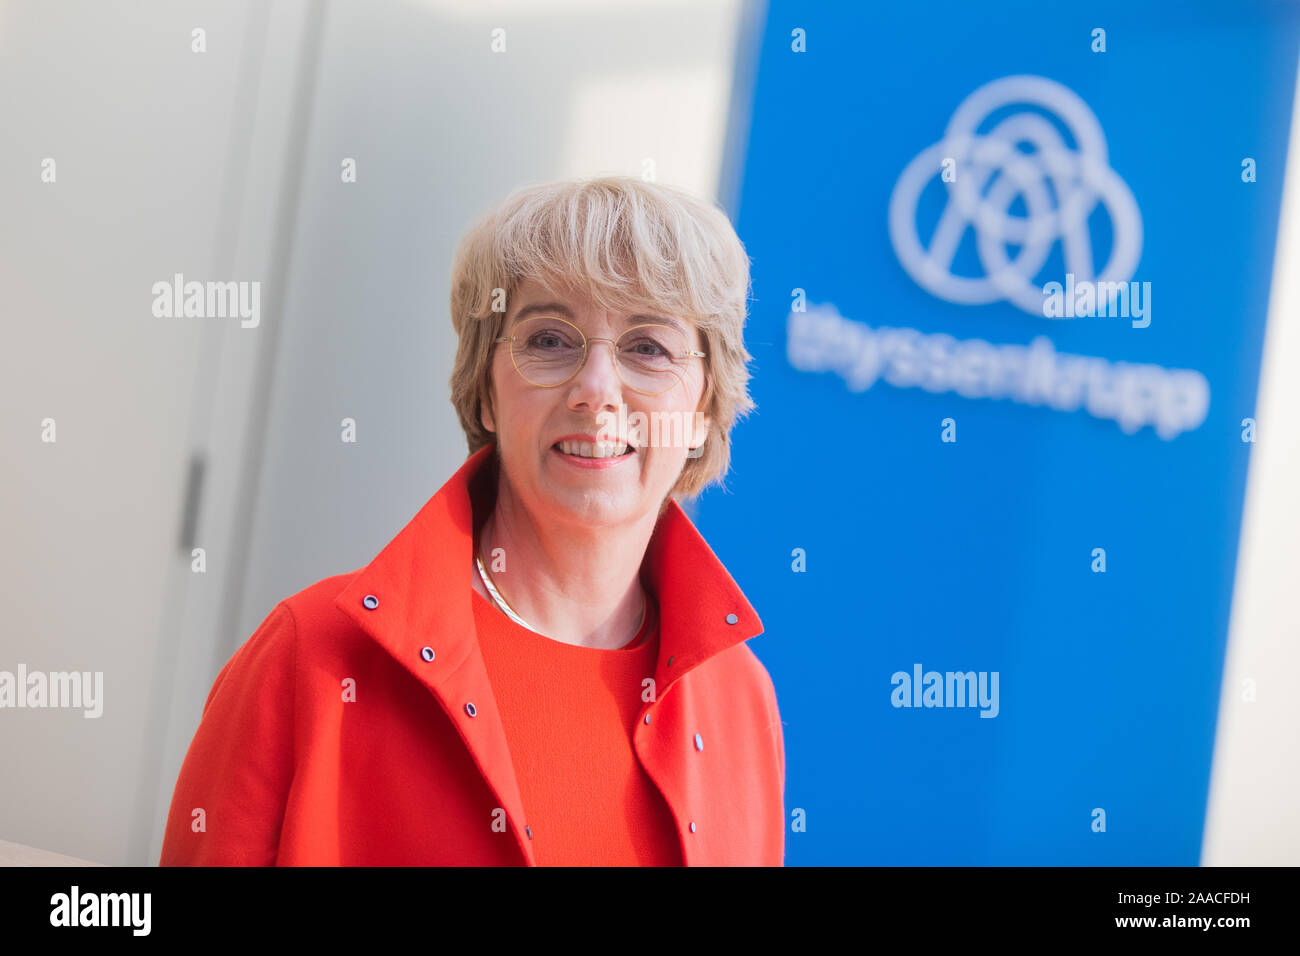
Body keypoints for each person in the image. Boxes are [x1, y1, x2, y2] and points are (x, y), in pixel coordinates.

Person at [159, 176, 785, 866]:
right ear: (485, 388)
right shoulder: (309, 655)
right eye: (550, 339)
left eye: (649, 348)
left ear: (702, 409)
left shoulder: (739, 701)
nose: (595, 391)